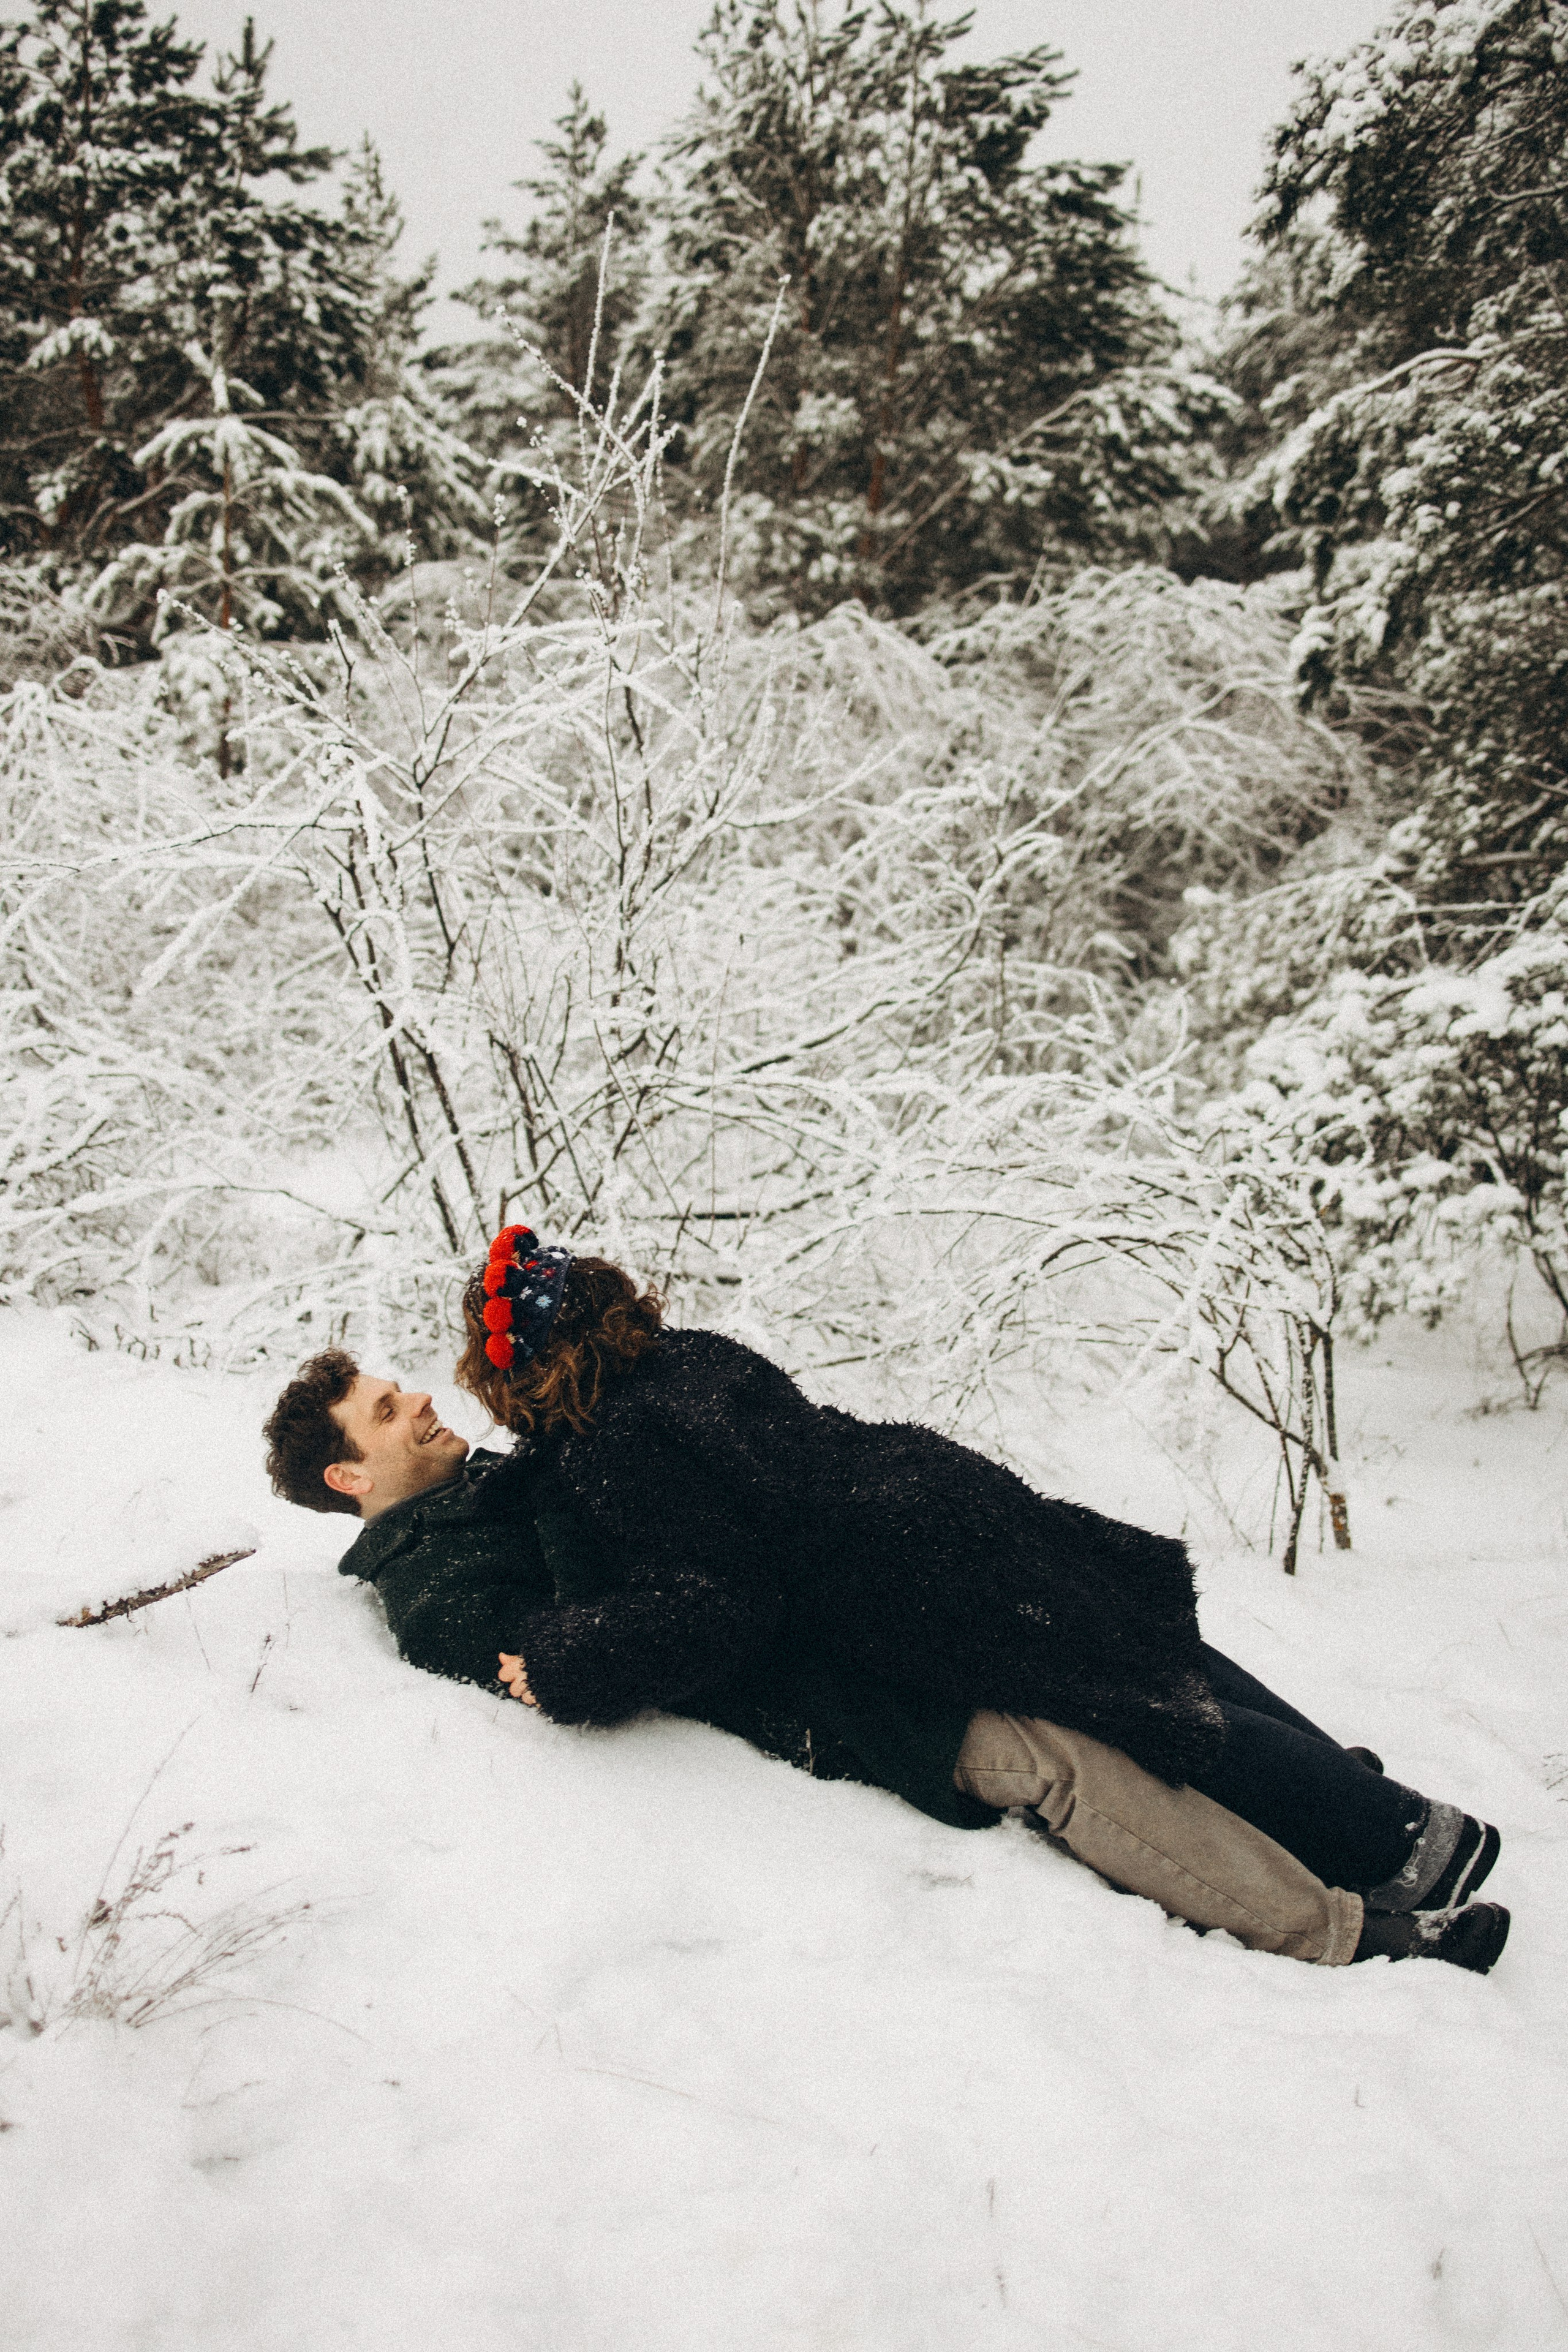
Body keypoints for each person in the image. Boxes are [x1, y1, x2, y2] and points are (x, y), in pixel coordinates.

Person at [262, 1224, 1510, 1975]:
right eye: (388, 1409)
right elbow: (583, 1625)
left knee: (1125, 1680)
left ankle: (1370, 1835)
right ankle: (1372, 1854)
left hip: (873, 1586)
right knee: (1107, 1697)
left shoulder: (571, 1447)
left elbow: (689, 1584)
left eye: (423, 1387)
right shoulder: (458, 1551)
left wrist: (582, 1627)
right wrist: (558, 1653)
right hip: (866, 1611)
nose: (425, 1402)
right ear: (347, 1473)